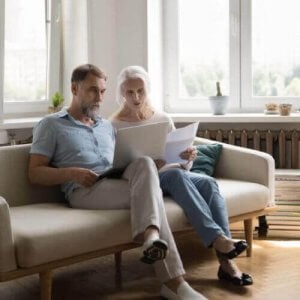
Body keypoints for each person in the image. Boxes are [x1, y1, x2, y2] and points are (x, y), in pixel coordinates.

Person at [28, 64, 207, 300]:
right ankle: (176, 284)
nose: (99, 98)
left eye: (102, 91)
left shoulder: (106, 126)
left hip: (114, 181)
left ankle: (152, 237)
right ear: (74, 88)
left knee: (145, 163)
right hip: (84, 190)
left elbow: (121, 161)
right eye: (93, 90)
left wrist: (157, 163)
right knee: (152, 195)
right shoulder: (51, 124)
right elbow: (35, 173)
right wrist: (72, 173)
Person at [110, 65, 253, 287]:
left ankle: (226, 264)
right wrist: (148, 165)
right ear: (121, 93)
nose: (136, 97)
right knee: (176, 176)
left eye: (141, 90)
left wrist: (188, 156)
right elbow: (115, 166)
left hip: (171, 172)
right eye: (130, 92)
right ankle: (219, 240)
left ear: (148, 90)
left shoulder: (162, 118)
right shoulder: (113, 124)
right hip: (144, 181)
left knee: (207, 183)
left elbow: (179, 160)